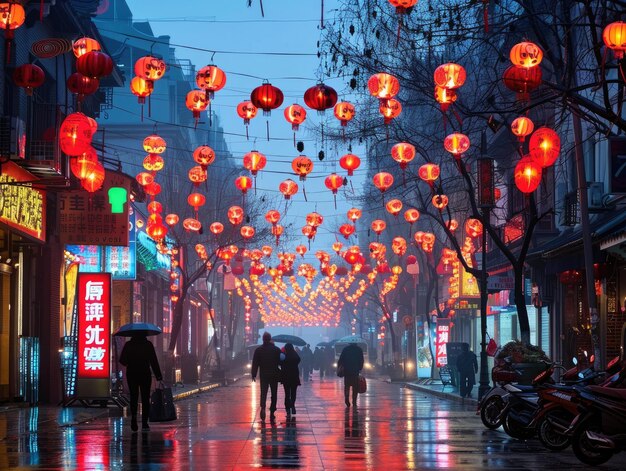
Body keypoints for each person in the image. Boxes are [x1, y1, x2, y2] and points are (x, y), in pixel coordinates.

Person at [119, 334, 163, 432]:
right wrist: (158, 376)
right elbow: (153, 361)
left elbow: (122, 361)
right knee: (145, 397)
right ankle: (144, 423)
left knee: (133, 396)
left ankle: (134, 419)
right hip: (145, 374)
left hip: (132, 374)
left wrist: (129, 361)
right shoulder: (148, 345)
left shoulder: (128, 345)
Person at [251, 332, 282, 421]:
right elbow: (281, 362)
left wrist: (253, 374)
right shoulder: (276, 350)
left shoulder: (258, 350)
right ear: (270, 339)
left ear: (263, 339)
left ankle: (263, 408)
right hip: (274, 374)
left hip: (264, 375)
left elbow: (255, 363)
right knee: (274, 393)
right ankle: (272, 411)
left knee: (263, 393)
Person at [337, 342, 364, 408]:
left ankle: (346, 398)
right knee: (355, 387)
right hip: (355, 371)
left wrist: (339, 367)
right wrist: (360, 368)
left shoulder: (345, 349)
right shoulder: (359, 349)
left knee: (347, 386)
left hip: (347, 371)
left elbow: (341, 360)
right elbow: (361, 360)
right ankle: (354, 401)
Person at [280, 343, 301, 417]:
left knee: (287, 394)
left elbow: (280, 363)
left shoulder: (284, 356)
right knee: (293, 393)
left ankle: (288, 409)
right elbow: (299, 360)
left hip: (286, 377)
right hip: (294, 377)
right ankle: (293, 405)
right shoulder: (295, 356)